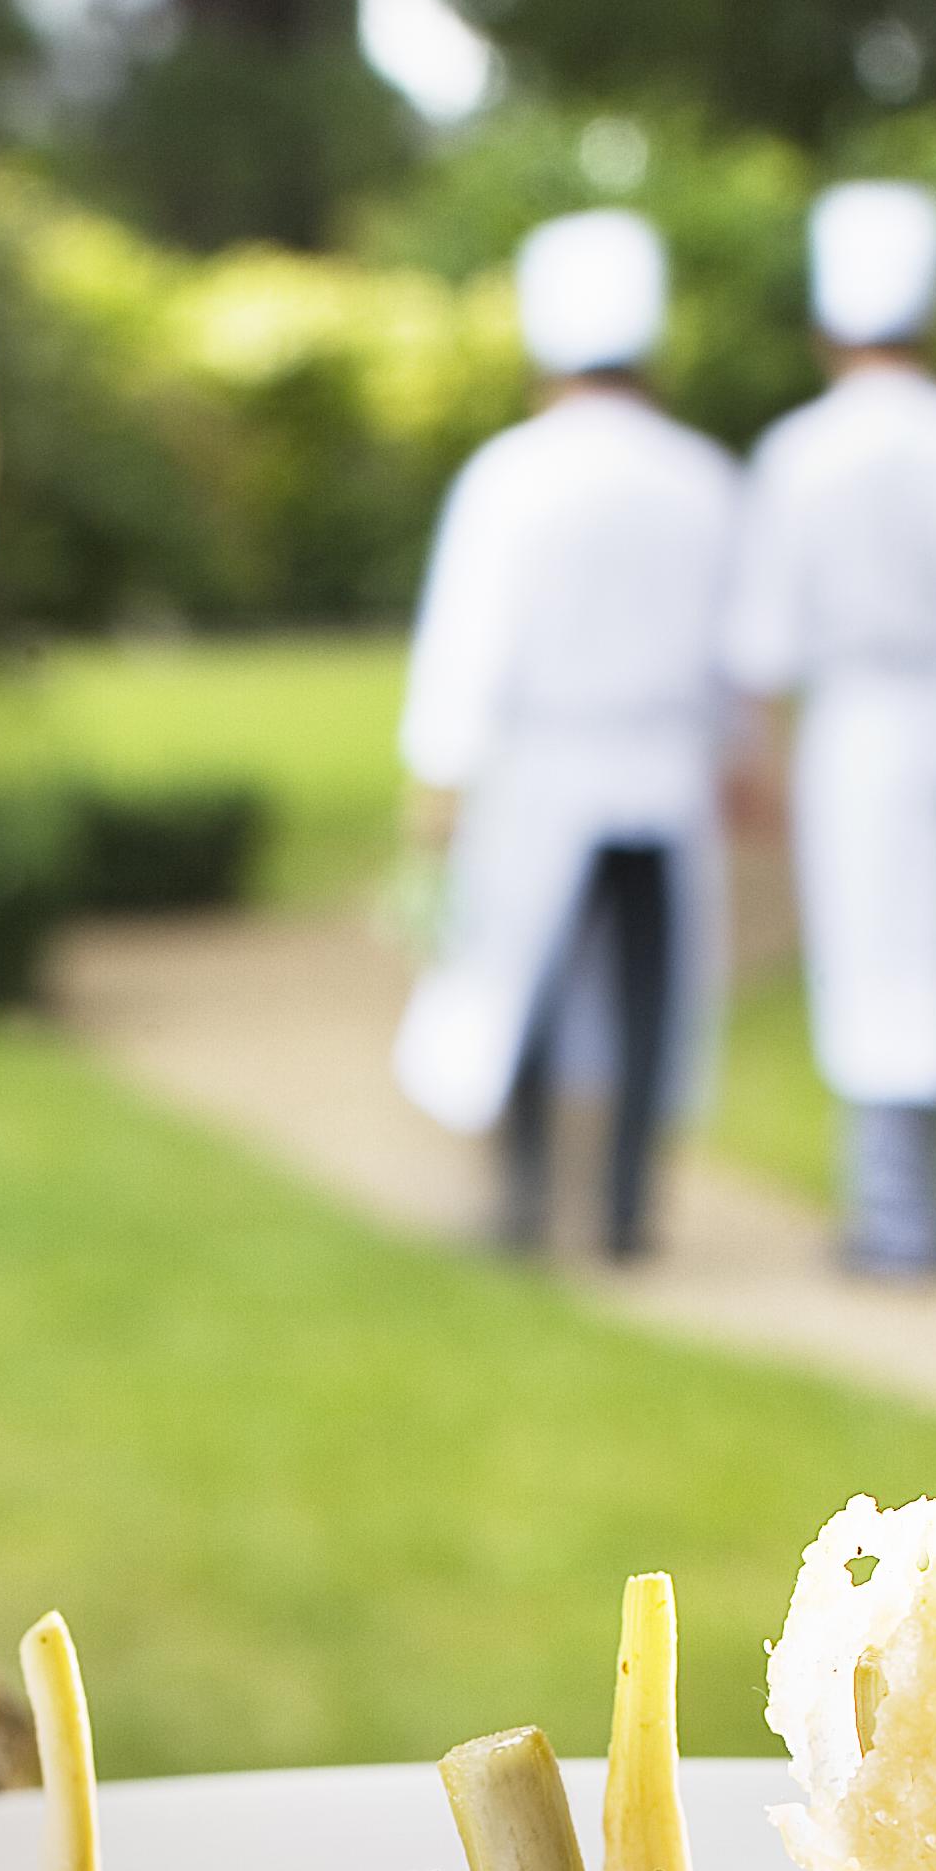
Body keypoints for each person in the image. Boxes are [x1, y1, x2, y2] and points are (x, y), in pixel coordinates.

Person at [724, 180, 936, 1278]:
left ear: (828, 329)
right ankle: (920, 1201)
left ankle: (889, 1209)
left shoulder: (797, 454)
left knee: (867, 964)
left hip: (857, 734)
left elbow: (763, 641)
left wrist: (757, 760)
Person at [391, 207, 741, 1258]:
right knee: (647, 997)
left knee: (524, 987)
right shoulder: (703, 476)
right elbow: (737, 647)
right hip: (666, 772)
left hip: (544, 768)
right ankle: (629, 1207)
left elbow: (466, 641)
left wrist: (437, 780)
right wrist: (741, 756)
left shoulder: (512, 475)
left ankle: (527, 1196)